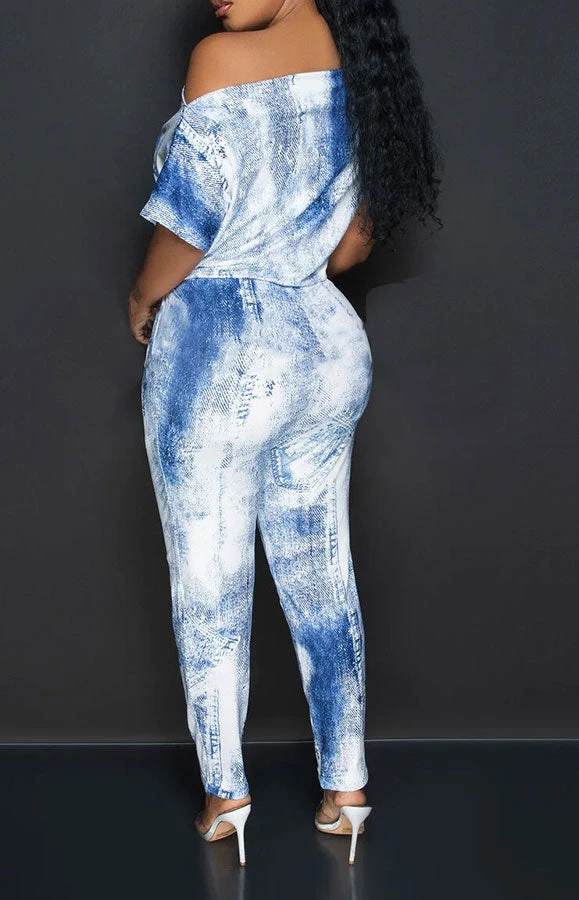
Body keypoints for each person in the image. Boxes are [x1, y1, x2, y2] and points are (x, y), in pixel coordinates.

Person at [128, 0, 441, 867]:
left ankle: (226, 794)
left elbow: (189, 222)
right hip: (325, 342)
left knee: (210, 579)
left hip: (219, 346)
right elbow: (350, 249)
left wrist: (144, 295)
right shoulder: (363, 68)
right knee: (322, 569)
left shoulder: (219, 59)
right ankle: (347, 789)